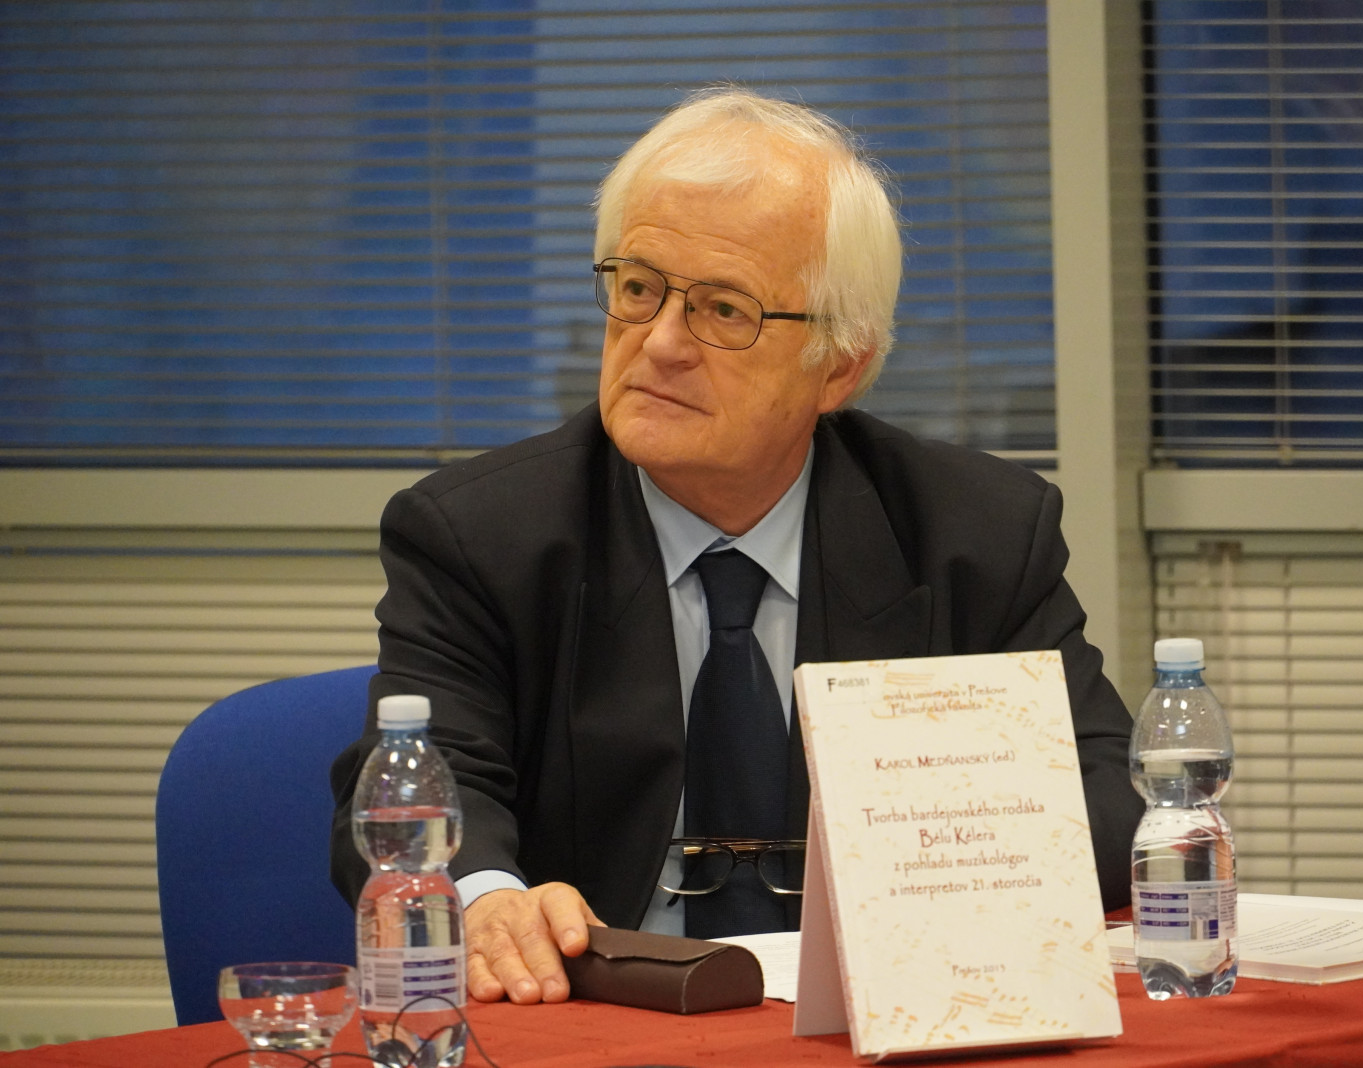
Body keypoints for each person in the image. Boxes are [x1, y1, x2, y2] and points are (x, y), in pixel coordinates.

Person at [329, 86, 1143, 1008]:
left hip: (875, 1021)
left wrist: (946, 849)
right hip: (600, 1014)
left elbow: (1110, 799)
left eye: (724, 310)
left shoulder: (972, 534)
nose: (660, 344)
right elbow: (414, 791)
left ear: (840, 366)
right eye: (639, 289)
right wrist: (487, 901)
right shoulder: (483, 535)